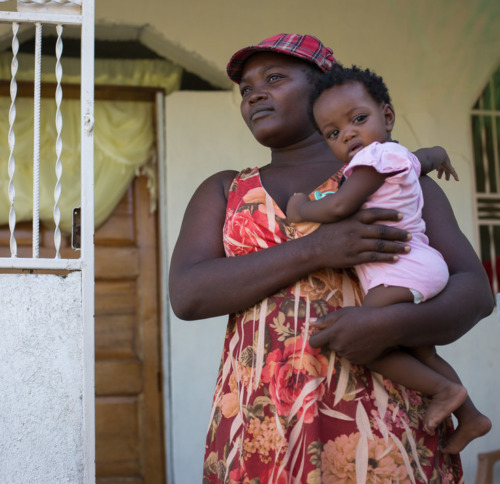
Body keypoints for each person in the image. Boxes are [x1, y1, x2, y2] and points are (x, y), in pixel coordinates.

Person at [169, 33, 494, 484]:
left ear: (324, 88)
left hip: (384, 434)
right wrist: (317, 249)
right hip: (261, 432)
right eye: (246, 89)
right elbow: (188, 295)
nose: (255, 93)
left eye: (275, 78)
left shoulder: (395, 179)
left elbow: (475, 292)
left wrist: (388, 326)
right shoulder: (224, 191)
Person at [286, 63, 491, 455]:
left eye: (358, 119)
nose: (348, 134)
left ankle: (444, 390)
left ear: (388, 116)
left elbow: (340, 205)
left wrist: (300, 209)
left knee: (365, 340)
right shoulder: (401, 158)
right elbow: (428, 155)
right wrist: (441, 155)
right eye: (333, 133)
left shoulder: (372, 159)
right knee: (421, 352)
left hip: (404, 267)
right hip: (418, 264)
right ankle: (470, 417)